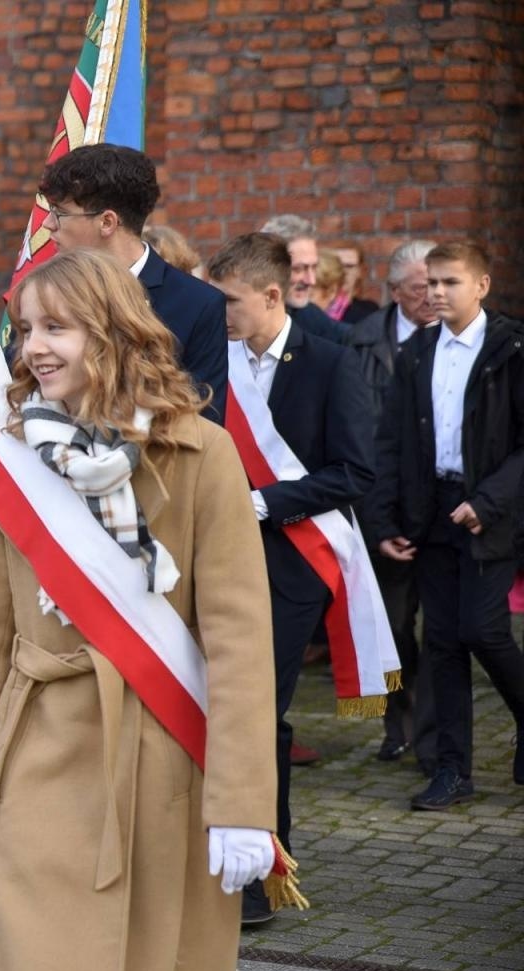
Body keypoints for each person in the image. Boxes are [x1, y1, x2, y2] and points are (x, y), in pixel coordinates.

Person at [0, 249, 277, 971]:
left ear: (116, 333)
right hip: (40, 754)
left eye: (57, 327)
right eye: (25, 330)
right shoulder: (13, 460)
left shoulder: (203, 454)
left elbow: (238, 641)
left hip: (165, 757)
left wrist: (244, 803)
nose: (35, 348)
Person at [206, 233, 374, 924]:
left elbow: (355, 472)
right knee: (225, 710)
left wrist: (264, 502)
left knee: (254, 713)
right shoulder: (211, 363)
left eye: (231, 303)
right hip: (216, 561)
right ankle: (231, 849)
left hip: (291, 564)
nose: (220, 316)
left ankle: (261, 870)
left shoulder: (333, 362)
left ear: (272, 296)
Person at [368, 241, 524, 809]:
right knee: (442, 642)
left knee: (483, 630)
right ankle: (453, 769)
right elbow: (392, 441)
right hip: (430, 510)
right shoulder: (417, 354)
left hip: (493, 513)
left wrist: (487, 501)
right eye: (431, 282)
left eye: (449, 282)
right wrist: (385, 518)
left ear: (481, 286)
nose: (436, 292)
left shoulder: (510, 347)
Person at [37, 143, 229, 420]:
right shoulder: (45, 292)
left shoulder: (197, 304)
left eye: (60, 213)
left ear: (107, 222)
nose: (48, 225)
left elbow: (203, 421)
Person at [349, 239, 438, 767]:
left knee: (453, 634)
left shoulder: (476, 342)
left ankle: (436, 732)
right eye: (420, 287)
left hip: (447, 510)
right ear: (395, 291)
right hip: (386, 508)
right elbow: (365, 439)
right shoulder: (362, 343)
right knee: (394, 628)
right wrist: (378, 519)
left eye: (437, 284)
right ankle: (397, 721)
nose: (431, 295)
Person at [258, 214, 352, 345]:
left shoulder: (308, 315)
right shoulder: (234, 318)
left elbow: (353, 336)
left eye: (314, 267)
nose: (311, 280)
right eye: (298, 269)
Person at [328, 241, 380, 324]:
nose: (343, 272)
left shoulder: (369, 311)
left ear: (360, 271)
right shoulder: (316, 308)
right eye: (338, 265)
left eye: (349, 266)